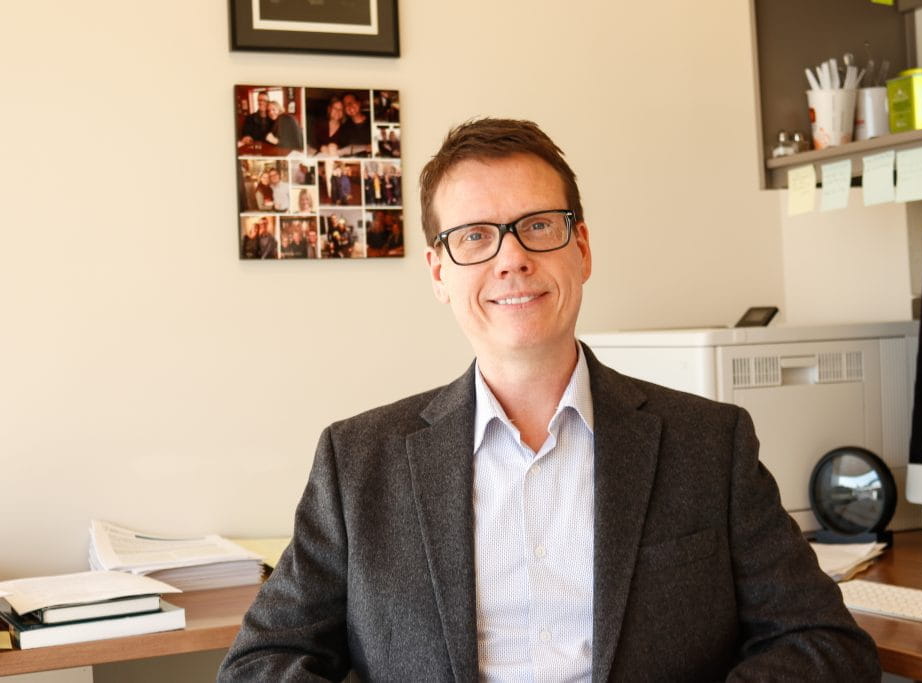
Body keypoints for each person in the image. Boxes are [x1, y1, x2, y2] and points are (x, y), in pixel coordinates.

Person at [219, 118, 880, 681]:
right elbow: (263, 660)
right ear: (439, 273)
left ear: (581, 248)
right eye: (474, 236)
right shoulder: (359, 459)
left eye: (538, 225)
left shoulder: (708, 442)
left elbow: (825, 644)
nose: (511, 258)